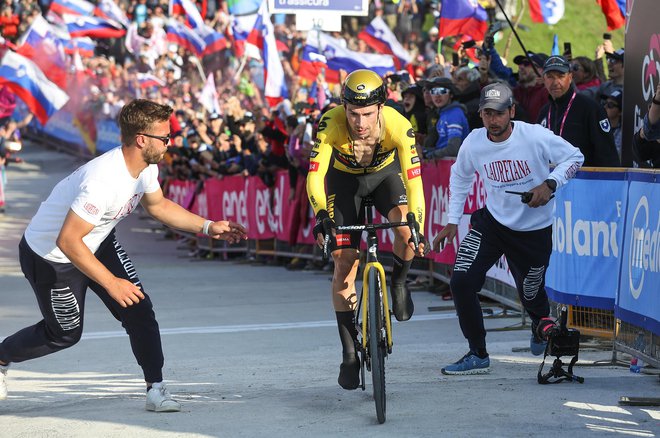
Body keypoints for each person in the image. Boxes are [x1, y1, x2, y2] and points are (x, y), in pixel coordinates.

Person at [0, 99, 248, 410]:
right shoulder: (102, 182)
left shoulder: (145, 167)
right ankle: (2, 356)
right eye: (165, 137)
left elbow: (157, 206)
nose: (171, 143)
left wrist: (209, 226)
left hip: (97, 243)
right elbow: (68, 240)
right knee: (64, 334)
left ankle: (155, 388)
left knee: (139, 309)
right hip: (51, 254)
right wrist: (111, 283)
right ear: (142, 139)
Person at [432, 83, 584, 375]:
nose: (493, 120)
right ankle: (477, 353)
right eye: (487, 113)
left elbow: (575, 157)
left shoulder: (534, 136)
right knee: (461, 282)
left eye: (499, 113)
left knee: (533, 300)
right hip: (492, 223)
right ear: (480, 114)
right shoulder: (474, 141)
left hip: (533, 232)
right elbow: (460, 177)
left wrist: (550, 184)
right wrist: (452, 221)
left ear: (512, 111)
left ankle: (540, 326)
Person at [306, 69, 427, 390]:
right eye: (353, 113)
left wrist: (417, 222)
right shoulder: (329, 123)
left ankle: (399, 283)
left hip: (385, 177)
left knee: (405, 230)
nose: (360, 123)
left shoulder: (399, 124)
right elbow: (315, 177)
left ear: (381, 108)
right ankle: (348, 353)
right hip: (345, 182)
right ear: (343, 107)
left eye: (368, 114)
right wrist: (320, 213)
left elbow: (415, 182)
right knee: (344, 261)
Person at [537, 55, 620, 167]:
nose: (556, 82)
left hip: (584, 181)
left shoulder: (590, 108)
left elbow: (607, 155)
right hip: (551, 181)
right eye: (550, 77)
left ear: (570, 77)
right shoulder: (544, 112)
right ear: (543, 79)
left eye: (561, 76)